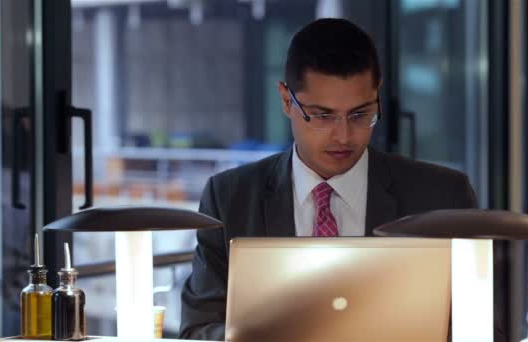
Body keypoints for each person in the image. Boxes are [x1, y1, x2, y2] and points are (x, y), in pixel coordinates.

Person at [179, 18, 477, 340]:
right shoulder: (229, 198)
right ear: (285, 100)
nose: (343, 136)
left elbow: (486, 327)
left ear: (377, 95)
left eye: (360, 114)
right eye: (322, 116)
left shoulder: (443, 196)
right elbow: (198, 329)